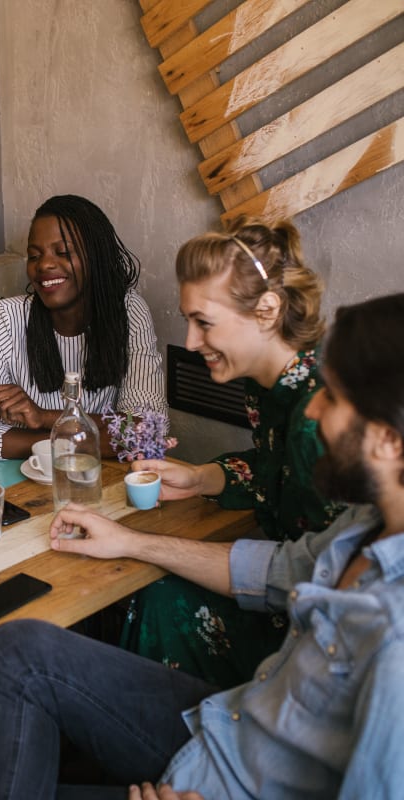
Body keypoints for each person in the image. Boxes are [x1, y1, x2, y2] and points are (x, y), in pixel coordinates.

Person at [0, 291, 404, 799]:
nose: (315, 409)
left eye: (335, 397)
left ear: (388, 440)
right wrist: (131, 542)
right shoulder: (367, 524)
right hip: (228, 725)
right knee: (17, 648)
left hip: (227, 781)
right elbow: (273, 569)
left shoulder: (395, 640)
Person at [122, 217, 344, 688]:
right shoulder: (272, 384)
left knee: (158, 596)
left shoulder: (319, 416)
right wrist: (203, 478)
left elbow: (327, 574)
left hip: (319, 640)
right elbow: (271, 467)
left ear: (267, 310)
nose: (189, 342)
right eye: (188, 320)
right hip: (288, 587)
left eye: (203, 323)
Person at [0, 194, 166, 466]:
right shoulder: (6, 318)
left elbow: (147, 432)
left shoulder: (128, 312)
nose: (44, 265)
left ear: (95, 257)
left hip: (79, 477)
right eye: (34, 255)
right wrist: (84, 438)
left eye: (63, 252)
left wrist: (42, 417)